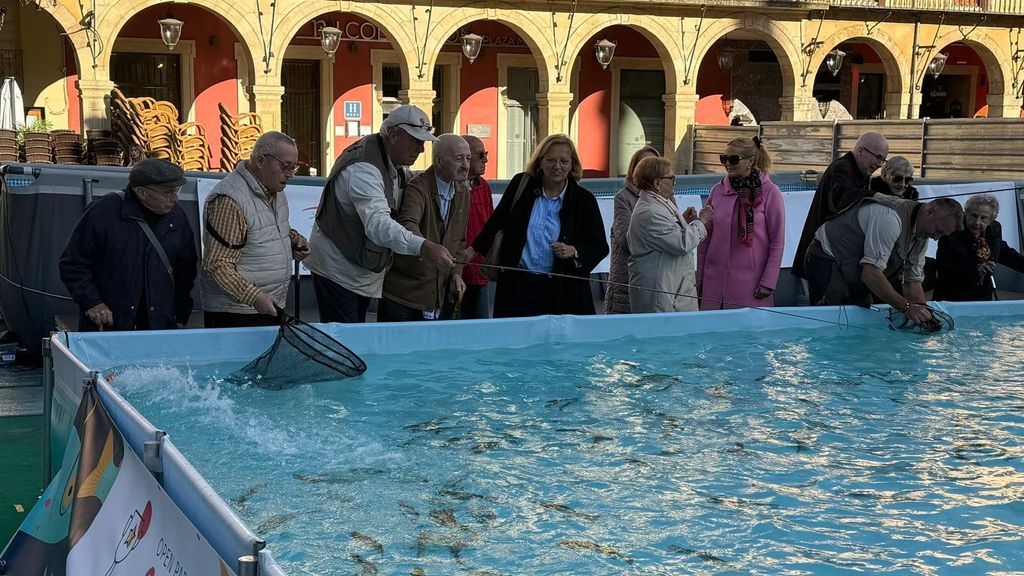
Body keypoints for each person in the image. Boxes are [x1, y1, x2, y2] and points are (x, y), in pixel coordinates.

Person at [305, 105, 455, 323]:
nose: (421, 149)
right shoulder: (363, 169)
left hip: (355, 269)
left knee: (352, 340)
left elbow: (402, 181)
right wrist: (423, 246)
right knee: (345, 344)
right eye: (415, 140)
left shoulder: (386, 160)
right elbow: (379, 226)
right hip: (338, 272)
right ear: (393, 135)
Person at [471, 134, 608, 318]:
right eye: (551, 160)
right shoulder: (521, 184)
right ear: (540, 162)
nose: (557, 166)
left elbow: (599, 246)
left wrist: (573, 250)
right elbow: (496, 222)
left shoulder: (584, 200)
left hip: (562, 293)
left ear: (572, 164)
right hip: (517, 289)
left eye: (564, 161)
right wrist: (471, 251)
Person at [60, 158, 197, 331]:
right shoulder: (103, 212)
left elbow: (186, 272)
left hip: (160, 326)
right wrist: (93, 303)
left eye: (177, 190)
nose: (175, 198)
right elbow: (73, 264)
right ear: (141, 192)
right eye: (167, 192)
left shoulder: (178, 217)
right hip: (110, 325)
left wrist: (180, 315)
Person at [200, 131, 309, 328]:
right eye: (286, 166)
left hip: (266, 305)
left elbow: (270, 230)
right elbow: (217, 265)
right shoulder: (229, 201)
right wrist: (255, 297)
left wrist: (292, 240)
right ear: (260, 161)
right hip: (236, 314)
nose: (290, 174)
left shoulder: (274, 189)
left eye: (294, 168)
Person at [803, 194, 963, 326]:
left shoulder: (922, 233)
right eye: (938, 231)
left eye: (942, 235)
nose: (936, 238)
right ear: (930, 211)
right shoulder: (889, 218)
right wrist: (906, 307)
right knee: (828, 322)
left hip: (854, 269)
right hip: (827, 256)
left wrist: (925, 318)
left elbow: (912, 281)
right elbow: (870, 274)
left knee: (861, 320)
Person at [379, 134, 472, 321]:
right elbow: (407, 225)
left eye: (468, 158)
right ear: (438, 160)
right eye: (458, 158)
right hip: (405, 295)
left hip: (439, 294)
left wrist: (456, 274)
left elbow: (460, 241)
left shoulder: (463, 191)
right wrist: (426, 248)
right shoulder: (417, 187)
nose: (466, 165)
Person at [697, 136, 785, 309]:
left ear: (750, 161)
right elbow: (705, 237)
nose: (727, 164)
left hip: (751, 285)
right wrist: (699, 277)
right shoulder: (717, 190)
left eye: (733, 159)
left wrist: (768, 281)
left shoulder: (770, 193)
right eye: (724, 158)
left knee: (749, 334)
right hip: (713, 284)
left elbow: (777, 241)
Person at [793, 131, 889, 280]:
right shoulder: (842, 168)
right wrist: (875, 197)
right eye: (877, 157)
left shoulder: (855, 171)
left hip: (828, 256)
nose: (879, 164)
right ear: (861, 151)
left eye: (883, 160)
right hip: (822, 257)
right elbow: (840, 199)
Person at [627, 156, 713, 313]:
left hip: (669, 291)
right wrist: (701, 221)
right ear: (657, 183)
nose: (674, 182)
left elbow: (666, 235)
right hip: (663, 297)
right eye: (672, 178)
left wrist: (683, 221)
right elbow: (681, 244)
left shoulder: (657, 204)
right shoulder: (650, 212)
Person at [934, 194, 1024, 301]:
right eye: (974, 216)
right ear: (965, 213)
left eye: (983, 218)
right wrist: (976, 268)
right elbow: (944, 267)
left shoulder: (994, 230)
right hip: (951, 297)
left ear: (991, 220)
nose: (977, 222)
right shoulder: (951, 231)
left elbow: (1003, 251)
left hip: (983, 295)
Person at [605, 145, 660, 314]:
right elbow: (627, 240)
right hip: (626, 282)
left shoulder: (665, 198)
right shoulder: (623, 198)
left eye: (653, 164)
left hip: (656, 284)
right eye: (643, 163)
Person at [457, 135, 495, 319]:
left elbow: (490, 226)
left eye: (485, 154)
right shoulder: (451, 185)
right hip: (455, 272)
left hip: (480, 271)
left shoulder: (484, 187)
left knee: (480, 329)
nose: (486, 160)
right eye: (481, 155)